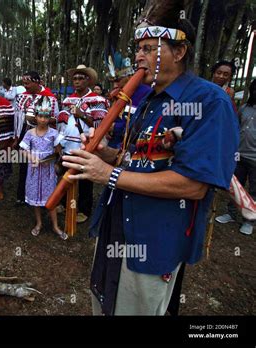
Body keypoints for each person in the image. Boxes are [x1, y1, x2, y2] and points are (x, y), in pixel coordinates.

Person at [62, 0, 239, 315]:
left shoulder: (210, 101)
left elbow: (193, 185)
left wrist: (107, 175)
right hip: (118, 224)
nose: (138, 57)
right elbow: (135, 160)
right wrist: (105, 154)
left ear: (179, 52)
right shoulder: (148, 102)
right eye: (137, 49)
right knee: (105, 303)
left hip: (154, 236)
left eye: (148, 48)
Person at [57, 64, 109, 224]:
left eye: (81, 78)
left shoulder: (98, 100)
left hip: (87, 146)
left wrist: (83, 114)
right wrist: (58, 143)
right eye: (74, 79)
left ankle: (84, 209)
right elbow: (61, 124)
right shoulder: (67, 100)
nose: (77, 81)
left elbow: (101, 126)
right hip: (67, 145)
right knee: (66, 174)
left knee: (86, 179)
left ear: (88, 80)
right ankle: (64, 203)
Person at [19, 96, 66, 240]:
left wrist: (56, 161)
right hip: (34, 170)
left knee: (51, 197)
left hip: (48, 171)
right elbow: (22, 150)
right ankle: (39, 223)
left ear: (49, 118)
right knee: (35, 197)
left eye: (46, 117)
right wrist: (32, 157)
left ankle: (55, 226)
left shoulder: (53, 133)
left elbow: (59, 151)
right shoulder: (30, 133)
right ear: (36, 117)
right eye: (40, 116)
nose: (43, 120)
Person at [216, 79, 256, 236]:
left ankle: (249, 221)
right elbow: (234, 128)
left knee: (254, 190)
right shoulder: (244, 108)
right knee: (235, 186)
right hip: (239, 154)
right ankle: (231, 213)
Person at [13, 71, 59, 205]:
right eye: (24, 83)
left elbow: (55, 119)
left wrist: (37, 120)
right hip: (25, 132)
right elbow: (17, 117)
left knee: (43, 164)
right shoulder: (21, 97)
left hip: (43, 134)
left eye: (28, 83)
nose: (25, 85)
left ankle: (45, 196)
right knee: (24, 164)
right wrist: (16, 137)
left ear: (37, 82)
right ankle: (23, 195)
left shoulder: (50, 97)